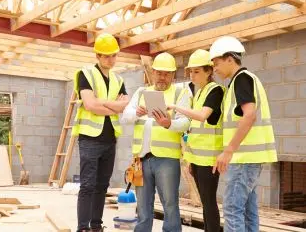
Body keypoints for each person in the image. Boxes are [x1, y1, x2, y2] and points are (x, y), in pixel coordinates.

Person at [209, 36, 278, 232]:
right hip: (248, 158)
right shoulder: (242, 81)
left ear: (230, 59)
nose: (215, 68)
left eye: (216, 63)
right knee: (248, 209)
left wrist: (228, 151)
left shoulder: (242, 79)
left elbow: (249, 116)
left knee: (232, 208)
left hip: (243, 159)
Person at [121, 52, 190, 232]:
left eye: (167, 73)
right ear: (153, 73)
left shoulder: (179, 93)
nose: (162, 77)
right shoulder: (142, 92)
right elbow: (125, 118)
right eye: (159, 73)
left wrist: (169, 124)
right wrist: (136, 113)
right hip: (142, 159)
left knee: (170, 204)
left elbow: (185, 122)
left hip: (166, 159)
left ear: (173, 75)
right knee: (143, 206)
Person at [72, 33, 129, 232]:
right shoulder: (85, 74)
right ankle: (82, 227)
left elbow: (124, 106)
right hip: (90, 138)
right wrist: (113, 105)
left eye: (113, 55)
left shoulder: (118, 78)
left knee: (102, 185)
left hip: (110, 139)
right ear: (97, 55)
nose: (110, 60)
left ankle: (96, 225)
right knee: (87, 184)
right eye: (106, 56)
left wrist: (101, 103)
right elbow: (89, 104)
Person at [167, 49, 224, 232]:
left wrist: (176, 107)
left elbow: (201, 117)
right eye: (191, 71)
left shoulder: (215, 91)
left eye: (197, 71)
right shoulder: (199, 93)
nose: (192, 75)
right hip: (197, 158)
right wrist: (190, 160)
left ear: (209, 71)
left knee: (209, 203)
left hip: (209, 159)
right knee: (205, 203)